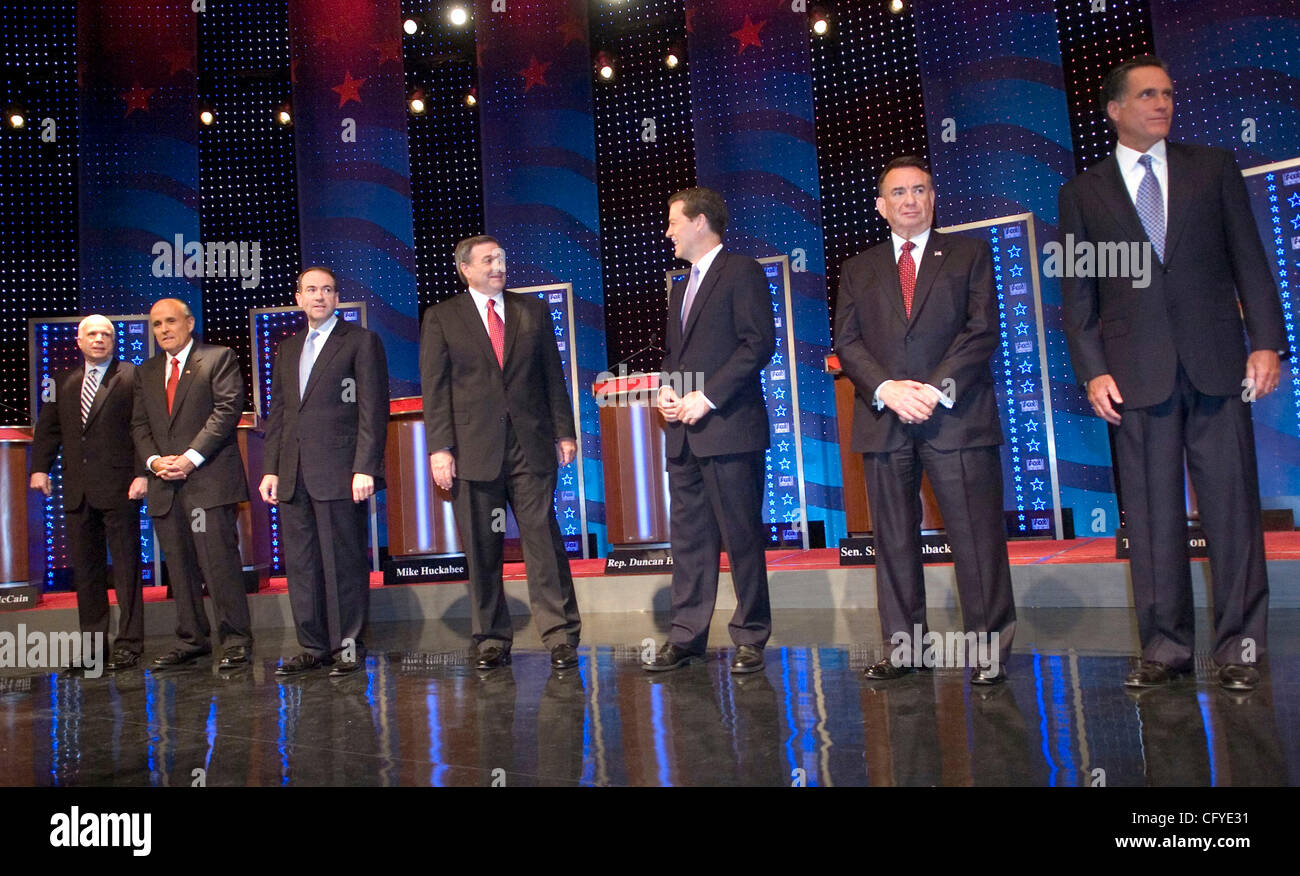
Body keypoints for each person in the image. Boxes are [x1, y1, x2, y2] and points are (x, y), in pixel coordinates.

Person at [1059, 56, 1286, 692]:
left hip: (1217, 365)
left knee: (1233, 511)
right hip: (1135, 377)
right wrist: (1092, 371)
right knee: (1153, 520)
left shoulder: (1211, 168)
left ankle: (1241, 649)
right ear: (1114, 110)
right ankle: (1164, 650)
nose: (1163, 103)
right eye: (1148, 94)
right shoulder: (1084, 193)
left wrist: (1267, 342)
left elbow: (1251, 261)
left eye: (1168, 93)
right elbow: (1079, 295)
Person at [834, 156, 1016, 685]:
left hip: (955, 417)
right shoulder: (858, 267)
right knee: (892, 540)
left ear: (934, 198)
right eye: (898, 192)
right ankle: (905, 648)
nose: (910, 200)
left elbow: (981, 332)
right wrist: (888, 390)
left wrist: (935, 391)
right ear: (880, 205)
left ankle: (988, 651)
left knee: (976, 537)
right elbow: (848, 342)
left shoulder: (969, 254)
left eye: (920, 190)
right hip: (885, 419)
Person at [420, 235, 581, 671]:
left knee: (543, 542)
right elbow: (435, 391)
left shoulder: (532, 312)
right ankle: (491, 637)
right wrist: (440, 449)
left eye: (502, 259)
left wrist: (564, 431)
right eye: (488, 260)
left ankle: (560, 635)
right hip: (473, 451)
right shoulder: (441, 318)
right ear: (465, 269)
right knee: (482, 547)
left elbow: (553, 377)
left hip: (530, 448)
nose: (498, 266)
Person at [644, 187, 775, 675]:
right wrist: (667, 391)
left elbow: (757, 345)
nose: (668, 232)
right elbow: (676, 357)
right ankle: (686, 636)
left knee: (741, 537)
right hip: (684, 435)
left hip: (729, 429)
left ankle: (750, 635)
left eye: (674, 222)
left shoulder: (741, 271)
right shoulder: (681, 285)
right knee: (690, 541)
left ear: (700, 222)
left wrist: (708, 396)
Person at [259, 267, 389, 677]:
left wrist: (365, 467)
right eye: (311, 290)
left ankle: (346, 647)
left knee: (343, 564)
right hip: (294, 475)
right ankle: (313, 646)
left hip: (341, 471)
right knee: (301, 564)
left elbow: (373, 410)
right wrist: (272, 469)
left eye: (328, 290)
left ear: (337, 297)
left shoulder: (361, 342)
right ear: (298, 297)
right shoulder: (288, 349)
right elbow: (280, 414)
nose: (319, 296)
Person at [131, 298, 253, 668]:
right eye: (156, 324)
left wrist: (189, 458)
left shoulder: (218, 357)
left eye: (170, 321)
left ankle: (235, 640)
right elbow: (139, 425)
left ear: (188, 322)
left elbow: (227, 410)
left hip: (209, 481)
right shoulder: (146, 371)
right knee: (179, 568)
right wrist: (154, 462)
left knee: (218, 564)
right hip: (165, 484)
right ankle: (192, 638)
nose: (164, 329)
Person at [30, 315, 149, 671]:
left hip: (121, 486)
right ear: (79, 341)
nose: (99, 339)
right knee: (87, 571)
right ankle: (94, 649)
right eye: (92, 334)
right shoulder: (62, 381)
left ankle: (129, 644)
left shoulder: (131, 376)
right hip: (77, 490)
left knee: (127, 568)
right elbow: (49, 430)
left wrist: (143, 473)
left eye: (106, 334)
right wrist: (40, 468)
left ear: (115, 340)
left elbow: (143, 429)